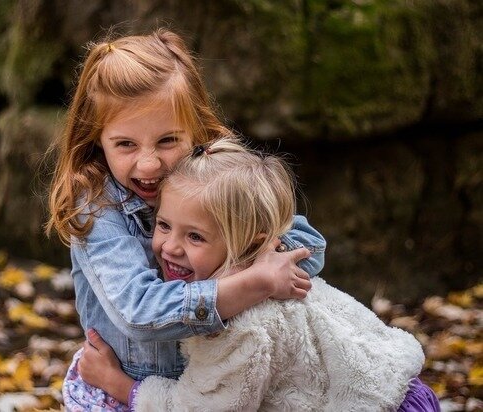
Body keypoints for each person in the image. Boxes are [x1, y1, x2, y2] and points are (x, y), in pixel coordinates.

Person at [45, 29, 326, 410]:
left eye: (167, 141)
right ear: (96, 139)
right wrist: (251, 282)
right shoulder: (97, 207)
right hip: (123, 389)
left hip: (212, 385)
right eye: (126, 144)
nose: (149, 164)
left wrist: (253, 264)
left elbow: (308, 248)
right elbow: (140, 312)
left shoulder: (213, 181)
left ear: (196, 130)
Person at [79, 138, 440, 411]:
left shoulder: (240, 325)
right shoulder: (272, 270)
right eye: (163, 225)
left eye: (195, 237)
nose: (170, 247)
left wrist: (118, 384)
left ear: (251, 243)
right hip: (393, 386)